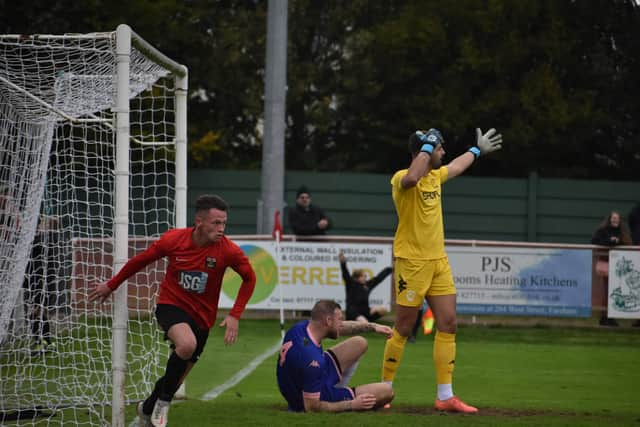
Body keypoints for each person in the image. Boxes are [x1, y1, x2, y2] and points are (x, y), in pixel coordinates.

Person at [88, 194, 256, 427]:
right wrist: (111, 284)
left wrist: (235, 315)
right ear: (199, 221)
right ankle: (164, 404)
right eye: (216, 223)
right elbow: (141, 261)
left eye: (224, 223)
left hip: (202, 318)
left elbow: (250, 278)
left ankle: (147, 409)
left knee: (176, 377)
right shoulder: (173, 240)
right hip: (171, 305)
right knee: (187, 345)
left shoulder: (228, 251)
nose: (221, 229)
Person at [381, 127, 503, 414]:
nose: (442, 152)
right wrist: (427, 146)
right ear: (422, 151)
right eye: (438, 148)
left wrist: (476, 150)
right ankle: (382, 391)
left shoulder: (436, 176)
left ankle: (445, 396)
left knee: (448, 323)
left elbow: (457, 165)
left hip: (438, 261)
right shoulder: (402, 178)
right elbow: (413, 177)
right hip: (411, 263)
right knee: (403, 327)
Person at [276, 299, 394, 412]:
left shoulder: (301, 328)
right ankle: (339, 395)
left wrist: (373, 326)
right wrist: (351, 405)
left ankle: (338, 389)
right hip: (310, 398)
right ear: (328, 321)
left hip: (308, 379)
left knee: (359, 343)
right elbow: (312, 407)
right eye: (339, 320)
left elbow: (340, 328)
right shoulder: (312, 359)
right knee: (387, 391)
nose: (341, 324)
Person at [591, 211, 632, 327]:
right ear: (609, 219)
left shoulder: (622, 233)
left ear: (619, 221)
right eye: (613, 218)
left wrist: (618, 242)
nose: (615, 220)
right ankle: (605, 317)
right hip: (606, 264)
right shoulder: (602, 231)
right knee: (607, 290)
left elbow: (628, 243)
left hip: (619, 267)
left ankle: (610, 317)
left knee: (614, 292)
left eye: (617, 219)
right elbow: (594, 241)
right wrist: (610, 241)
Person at [338, 250, 392, 323]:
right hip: (353, 313)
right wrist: (343, 263)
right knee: (365, 323)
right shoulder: (351, 284)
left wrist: (390, 269)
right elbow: (345, 273)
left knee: (383, 310)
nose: (365, 278)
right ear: (356, 277)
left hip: (365, 311)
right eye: (362, 276)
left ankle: (367, 320)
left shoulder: (368, 285)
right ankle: (361, 321)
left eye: (365, 276)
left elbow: (379, 278)